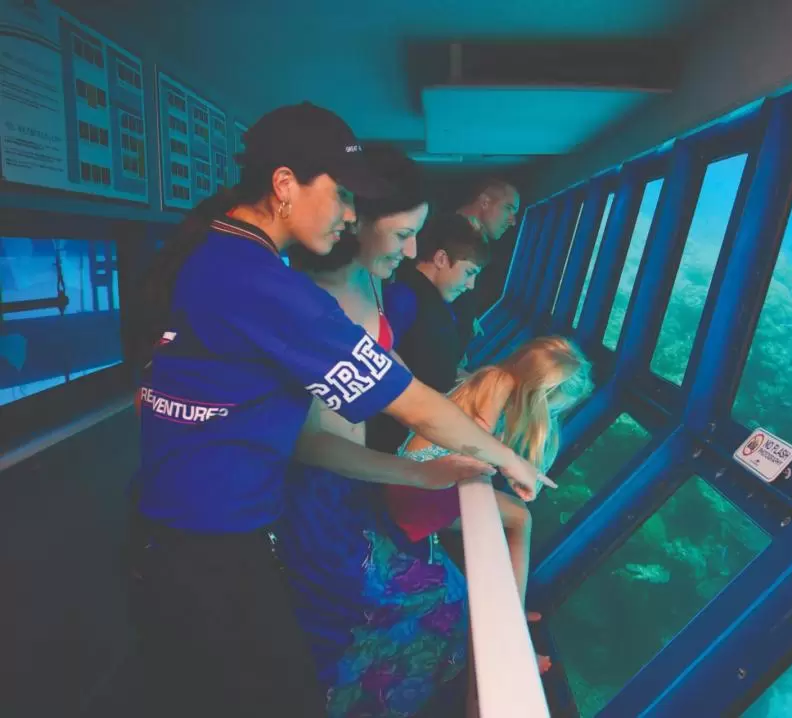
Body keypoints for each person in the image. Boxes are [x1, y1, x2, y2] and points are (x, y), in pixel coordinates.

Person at [126, 102, 551, 718]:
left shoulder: (221, 256)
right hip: (208, 542)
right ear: (283, 187)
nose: (352, 215)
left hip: (186, 530)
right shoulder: (266, 286)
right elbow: (411, 405)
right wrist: (509, 459)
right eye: (342, 195)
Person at [277, 157, 485, 718]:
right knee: (431, 598)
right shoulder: (307, 302)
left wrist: (457, 424)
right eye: (403, 234)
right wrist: (421, 470)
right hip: (320, 498)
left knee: (445, 591)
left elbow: (395, 376)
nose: (413, 252)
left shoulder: (371, 278)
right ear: (353, 219)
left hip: (359, 479)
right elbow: (312, 444)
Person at [384, 337, 593, 679]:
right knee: (520, 518)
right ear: (538, 393)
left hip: (416, 483)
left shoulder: (495, 377)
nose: (552, 416)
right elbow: (475, 437)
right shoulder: (499, 381)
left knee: (515, 517)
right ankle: (511, 622)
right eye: (553, 408)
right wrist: (510, 466)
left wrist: (507, 468)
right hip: (418, 489)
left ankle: (511, 604)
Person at [366, 213, 491, 454]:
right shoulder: (402, 298)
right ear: (442, 258)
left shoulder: (438, 303)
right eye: (469, 272)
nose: (470, 285)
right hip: (387, 437)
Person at [451, 178, 520, 350]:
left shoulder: (478, 243)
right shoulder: (448, 236)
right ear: (484, 202)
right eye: (508, 208)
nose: (513, 221)